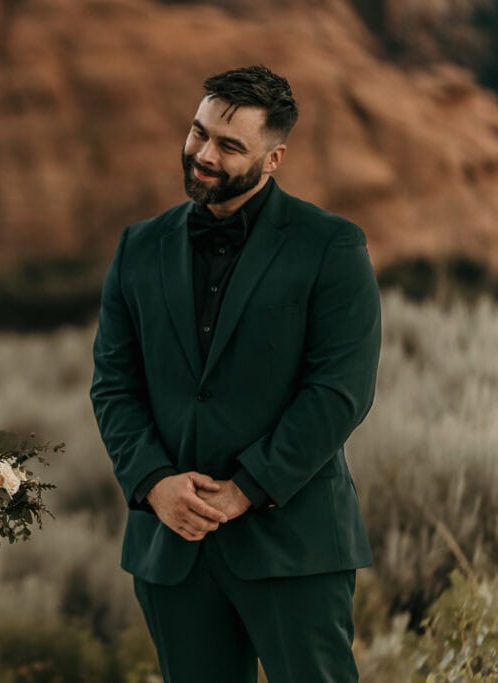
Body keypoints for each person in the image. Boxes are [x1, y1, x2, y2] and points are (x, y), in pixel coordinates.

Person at [90, 66, 381, 682]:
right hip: (172, 548)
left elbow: (340, 392)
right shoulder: (137, 247)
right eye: (198, 133)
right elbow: (114, 384)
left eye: (229, 146)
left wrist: (247, 487)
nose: (202, 154)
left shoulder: (332, 246)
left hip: (293, 542)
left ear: (273, 158)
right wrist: (155, 483)